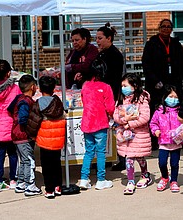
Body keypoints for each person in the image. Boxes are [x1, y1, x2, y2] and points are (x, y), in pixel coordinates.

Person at [142, 18, 183, 150]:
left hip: (173, 82)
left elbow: (182, 64)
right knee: (158, 111)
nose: (166, 29)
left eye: (168, 26)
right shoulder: (151, 44)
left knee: (176, 109)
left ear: (171, 29)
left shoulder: (176, 44)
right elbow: (146, 64)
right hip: (157, 84)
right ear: (159, 28)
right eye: (163, 26)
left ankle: (177, 138)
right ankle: (156, 139)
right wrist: (155, 81)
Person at [26, 76, 66, 199]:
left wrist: (31, 135)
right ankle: (58, 186)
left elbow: (33, 123)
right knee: (56, 164)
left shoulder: (38, 104)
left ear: (40, 89)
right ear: (53, 89)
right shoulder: (58, 102)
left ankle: (49, 190)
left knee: (47, 166)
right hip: (58, 140)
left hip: (44, 140)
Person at [79, 58, 115, 190]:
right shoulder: (106, 87)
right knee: (100, 152)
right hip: (100, 123)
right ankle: (101, 179)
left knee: (88, 152)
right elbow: (110, 107)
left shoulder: (85, 85)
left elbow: (84, 101)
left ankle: (84, 178)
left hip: (87, 123)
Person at [113, 73, 152, 195]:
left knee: (140, 157)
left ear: (134, 86)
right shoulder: (121, 99)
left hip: (139, 134)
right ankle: (130, 181)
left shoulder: (142, 99)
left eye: (125, 85)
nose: (123, 88)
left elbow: (145, 117)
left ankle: (145, 174)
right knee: (129, 158)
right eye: (122, 85)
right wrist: (124, 120)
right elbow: (115, 115)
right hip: (126, 136)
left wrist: (131, 124)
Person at [96, 22, 125, 171]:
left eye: (100, 38)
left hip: (112, 94)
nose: (97, 41)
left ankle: (122, 158)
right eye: (97, 38)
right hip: (104, 94)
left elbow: (111, 77)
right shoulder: (102, 53)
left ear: (109, 38)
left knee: (115, 126)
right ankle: (107, 157)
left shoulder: (115, 55)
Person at [7, 74, 42, 196]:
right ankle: (30, 185)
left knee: (23, 161)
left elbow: (10, 109)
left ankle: (21, 183)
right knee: (29, 161)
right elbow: (23, 118)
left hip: (16, 135)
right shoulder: (25, 102)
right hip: (23, 136)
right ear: (33, 87)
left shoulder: (18, 98)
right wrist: (30, 130)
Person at [150, 85, 182, 192]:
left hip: (176, 142)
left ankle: (174, 181)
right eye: (170, 96)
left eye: (175, 97)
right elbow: (153, 123)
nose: (173, 99)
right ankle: (164, 177)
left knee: (174, 163)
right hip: (163, 142)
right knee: (162, 162)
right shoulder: (159, 111)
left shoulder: (180, 112)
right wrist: (156, 131)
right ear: (165, 97)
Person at [0, 59, 21, 192]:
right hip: (11, 126)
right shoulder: (15, 88)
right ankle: (13, 180)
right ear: (9, 73)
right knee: (13, 154)